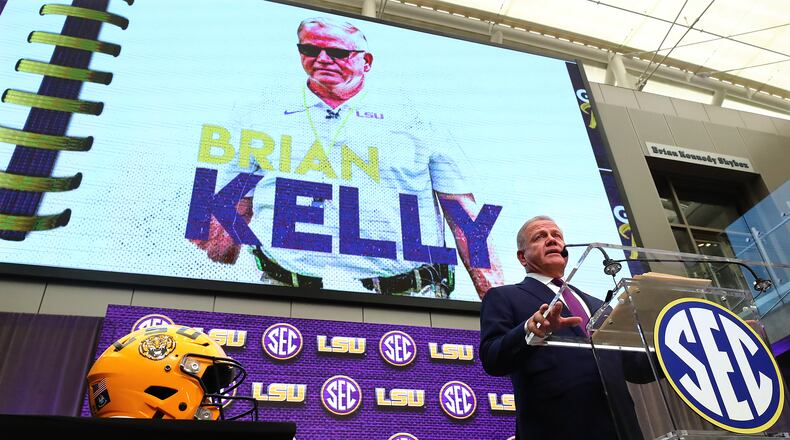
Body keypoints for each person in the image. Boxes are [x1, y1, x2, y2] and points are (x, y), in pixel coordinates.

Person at [193, 17, 502, 299]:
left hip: (407, 299)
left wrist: (500, 305)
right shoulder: (261, 119)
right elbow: (229, 215)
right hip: (285, 295)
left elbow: (465, 218)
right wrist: (212, 248)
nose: (323, 59)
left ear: (366, 61)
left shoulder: (416, 120)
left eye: (338, 53)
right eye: (311, 49)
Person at [480, 215, 654, 439]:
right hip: (556, 430)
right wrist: (530, 331)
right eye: (540, 237)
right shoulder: (504, 297)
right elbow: (492, 358)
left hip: (621, 431)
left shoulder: (598, 305)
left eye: (557, 236)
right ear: (522, 257)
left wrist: (670, 348)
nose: (552, 240)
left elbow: (636, 368)